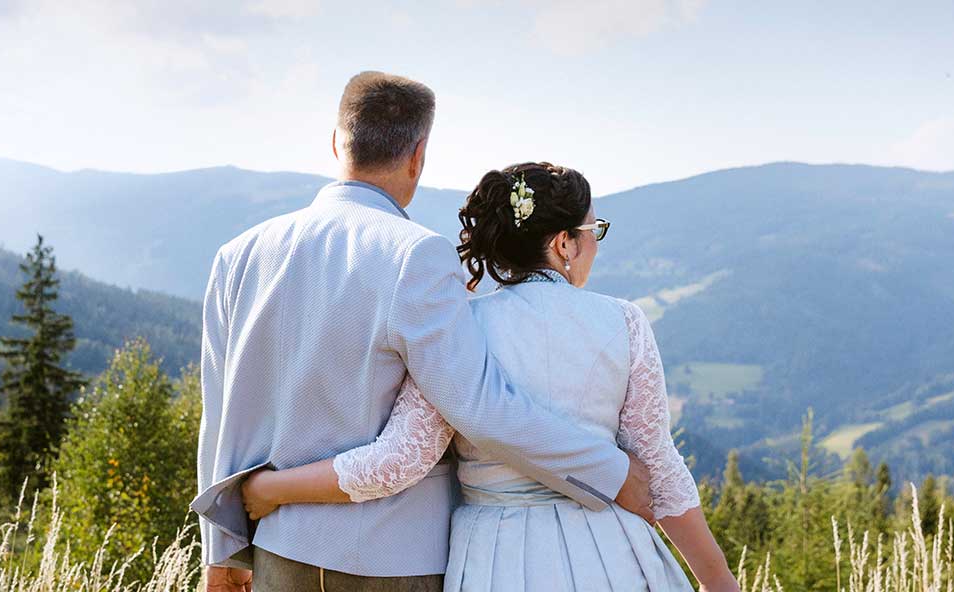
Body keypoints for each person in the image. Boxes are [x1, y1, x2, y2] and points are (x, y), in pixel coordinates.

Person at [192, 72, 656, 591]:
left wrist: (222, 550)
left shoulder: (237, 256)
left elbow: (221, 413)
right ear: (418, 156)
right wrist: (610, 472)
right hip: (391, 558)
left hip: (276, 547)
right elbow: (478, 406)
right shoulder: (415, 254)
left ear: (336, 143)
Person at [239, 162, 739, 592]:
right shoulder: (626, 321)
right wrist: (719, 581)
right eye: (594, 231)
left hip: (496, 557)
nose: (595, 244)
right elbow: (659, 467)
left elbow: (400, 460)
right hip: (612, 553)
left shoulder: (462, 327)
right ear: (564, 243)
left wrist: (271, 489)